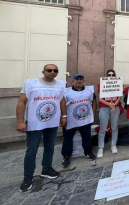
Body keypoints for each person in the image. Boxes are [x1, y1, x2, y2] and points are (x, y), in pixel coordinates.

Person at [16, 64, 67, 192]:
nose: (52, 72)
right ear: (43, 71)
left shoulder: (61, 84)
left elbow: (62, 101)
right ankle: (28, 177)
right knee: (31, 151)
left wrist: (64, 115)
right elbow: (21, 102)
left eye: (55, 70)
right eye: (49, 70)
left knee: (50, 147)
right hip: (35, 123)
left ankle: (46, 169)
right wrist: (20, 121)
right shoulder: (30, 83)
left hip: (52, 122)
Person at [61, 74, 96, 168]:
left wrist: (93, 114)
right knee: (67, 139)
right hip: (71, 120)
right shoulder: (66, 92)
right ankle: (66, 156)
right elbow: (62, 104)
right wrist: (63, 116)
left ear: (83, 81)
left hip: (85, 120)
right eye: (77, 80)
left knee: (87, 137)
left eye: (81, 79)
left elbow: (93, 102)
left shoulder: (89, 91)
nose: (79, 81)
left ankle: (88, 152)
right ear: (73, 81)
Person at [97, 69, 122, 158]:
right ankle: (100, 147)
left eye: (112, 75)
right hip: (104, 107)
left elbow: (119, 97)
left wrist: (114, 105)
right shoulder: (101, 84)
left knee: (114, 127)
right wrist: (109, 104)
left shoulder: (118, 83)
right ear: (106, 76)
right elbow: (100, 98)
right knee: (103, 128)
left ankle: (113, 144)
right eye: (109, 75)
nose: (111, 76)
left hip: (115, 107)